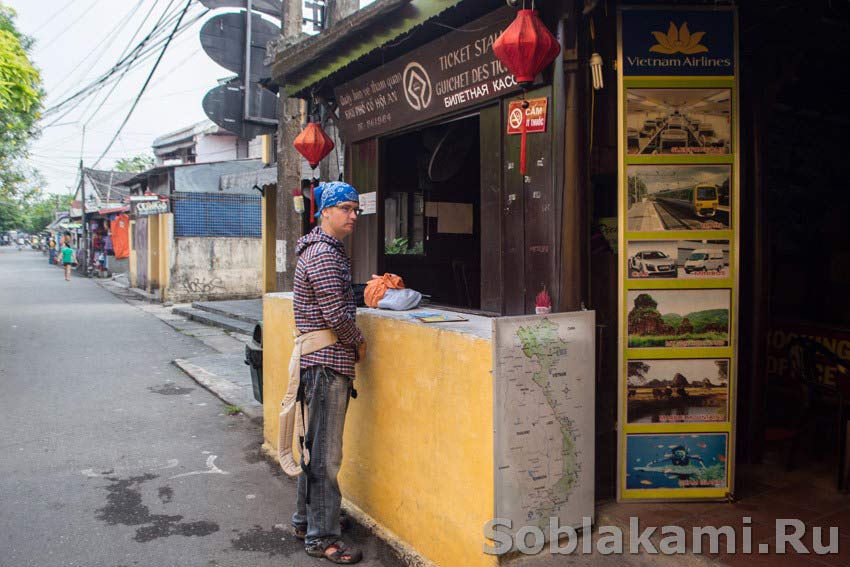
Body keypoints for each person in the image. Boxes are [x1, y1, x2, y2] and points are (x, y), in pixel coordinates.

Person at [291, 181, 366, 564]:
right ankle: (322, 537)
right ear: (326, 212)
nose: (354, 215)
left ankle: (307, 520)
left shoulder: (323, 250)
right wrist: (358, 341)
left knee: (314, 449)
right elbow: (336, 314)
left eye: (356, 209)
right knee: (324, 455)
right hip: (327, 363)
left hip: (318, 363)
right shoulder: (322, 254)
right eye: (347, 208)